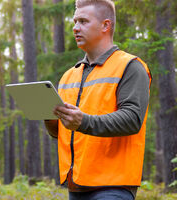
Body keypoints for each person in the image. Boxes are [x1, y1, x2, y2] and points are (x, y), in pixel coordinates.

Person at [44, 0, 152, 199]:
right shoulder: (69, 76)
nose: (76, 28)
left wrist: (83, 121)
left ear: (105, 25)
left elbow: (132, 119)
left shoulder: (130, 66)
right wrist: (51, 119)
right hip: (76, 186)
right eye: (75, 21)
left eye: (83, 21)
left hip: (113, 186)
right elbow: (65, 131)